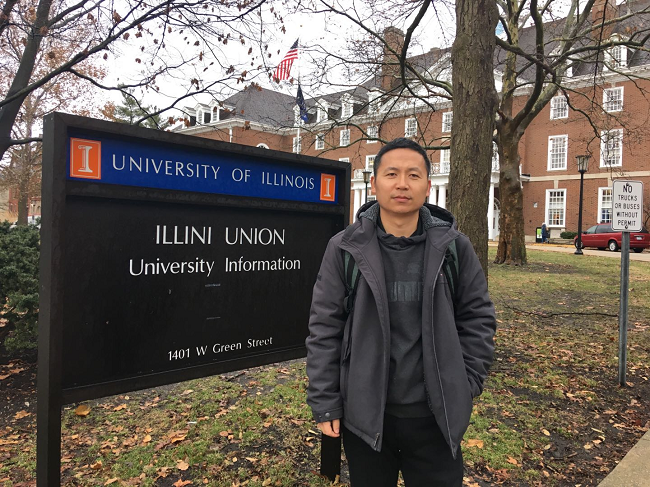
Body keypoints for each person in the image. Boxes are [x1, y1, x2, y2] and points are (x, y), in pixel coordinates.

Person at [306, 137, 497, 487]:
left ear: (428, 186)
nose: (402, 184)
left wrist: (465, 383)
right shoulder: (344, 248)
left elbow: (478, 319)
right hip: (365, 418)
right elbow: (324, 329)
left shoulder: (454, 248)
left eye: (414, 175)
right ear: (374, 183)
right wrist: (325, 401)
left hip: (435, 419)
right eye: (392, 174)